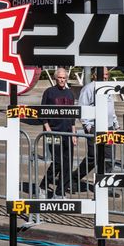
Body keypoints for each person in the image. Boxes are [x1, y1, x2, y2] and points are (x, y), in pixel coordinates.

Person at [75, 68, 118, 188]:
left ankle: (105, 185)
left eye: (107, 74)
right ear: (95, 75)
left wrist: (115, 123)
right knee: (93, 157)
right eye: (103, 74)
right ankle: (74, 178)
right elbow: (82, 108)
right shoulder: (88, 88)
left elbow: (111, 108)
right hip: (94, 128)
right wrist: (87, 126)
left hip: (109, 128)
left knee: (109, 158)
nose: (105, 77)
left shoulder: (109, 88)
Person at [39, 68, 77, 197]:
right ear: (56, 78)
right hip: (53, 132)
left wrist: (74, 134)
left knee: (67, 164)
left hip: (68, 134)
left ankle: (60, 192)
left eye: (64, 78)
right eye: (60, 77)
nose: (62, 80)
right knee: (57, 162)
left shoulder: (70, 94)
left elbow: (73, 117)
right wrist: (47, 129)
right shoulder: (49, 92)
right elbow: (42, 112)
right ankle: (43, 185)